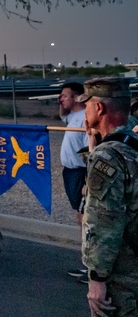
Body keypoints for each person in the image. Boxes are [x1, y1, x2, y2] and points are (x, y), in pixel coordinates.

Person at [78, 77, 138, 317]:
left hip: (125, 276)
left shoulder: (108, 156)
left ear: (99, 107)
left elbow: (104, 222)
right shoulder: (132, 144)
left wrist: (97, 279)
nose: (84, 113)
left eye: (87, 106)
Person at [59, 82, 89, 246]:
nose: (60, 99)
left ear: (76, 97)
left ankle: (90, 258)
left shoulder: (85, 118)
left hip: (80, 172)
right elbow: (63, 115)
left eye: (64, 95)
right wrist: (62, 101)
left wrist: (88, 179)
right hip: (69, 172)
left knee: (83, 215)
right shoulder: (72, 116)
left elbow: (90, 150)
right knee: (78, 212)